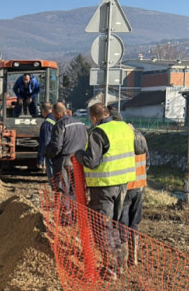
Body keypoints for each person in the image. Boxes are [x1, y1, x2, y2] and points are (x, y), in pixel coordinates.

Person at [75, 103, 137, 276]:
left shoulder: (98, 132)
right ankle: (121, 264)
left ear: (94, 118)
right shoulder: (124, 128)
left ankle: (111, 268)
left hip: (104, 186)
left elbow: (91, 161)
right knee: (116, 224)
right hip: (123, 184)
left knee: (102, 226)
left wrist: (78, 154)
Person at [119, 127, 149, 266]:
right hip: (140, 185)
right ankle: (134, 257)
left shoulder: (123, 141)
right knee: (134, 223)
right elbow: (147, 163)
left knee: (123, 223)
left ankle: (124, 259)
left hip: (126, 187)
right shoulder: (142, 138)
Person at [44, 102, 88, 195]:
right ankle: (75, 209)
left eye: (54, 115)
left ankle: (64, 209)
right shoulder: (80, 123)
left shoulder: (60, 124)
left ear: (59, 114)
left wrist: (48, 154)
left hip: (63, 161)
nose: (54, 117)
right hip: (78, 159)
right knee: (76, 189)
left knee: (62, 190)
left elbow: (56, 146)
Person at [37, 102, 56, 181]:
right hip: (61, 152)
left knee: (52, 177)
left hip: (51, 153)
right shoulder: (58, 119)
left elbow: (44, 143)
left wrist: (40, 160)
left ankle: (56, 190)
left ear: (43, 111)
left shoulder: (46, 124)